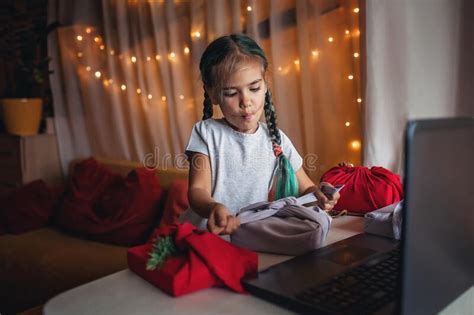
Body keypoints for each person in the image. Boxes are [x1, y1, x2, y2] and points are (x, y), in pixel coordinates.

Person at [180, 33, 340, 236]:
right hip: (205, 237)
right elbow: (197, 191)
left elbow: (306, 188)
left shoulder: (276, 139)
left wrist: (320, 195)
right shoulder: (206, 133)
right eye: (231, 93)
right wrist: (214, 208)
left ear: (265, 85)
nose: (245, 101)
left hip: (249, 237)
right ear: (212, 93)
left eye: (254, 88)